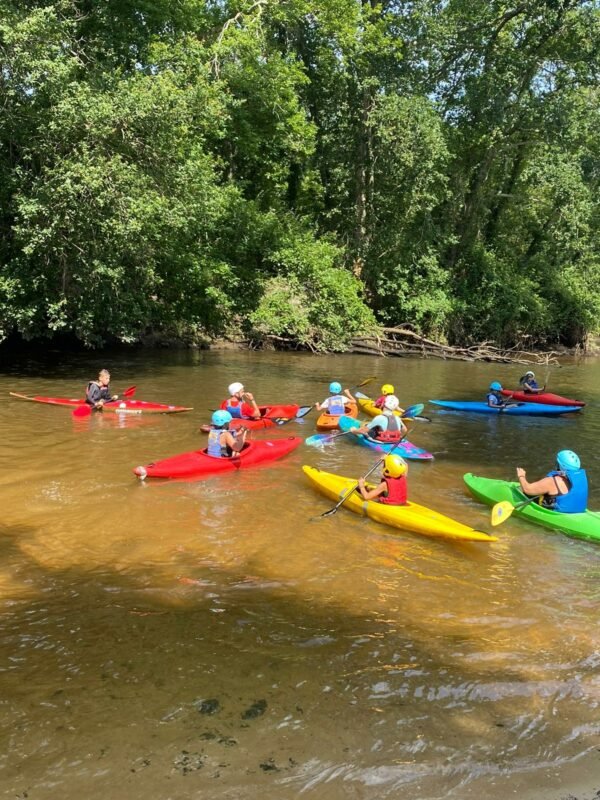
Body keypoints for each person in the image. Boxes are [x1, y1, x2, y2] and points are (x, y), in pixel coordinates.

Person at [516, 450, 588, 513]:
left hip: (558, 513)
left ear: (560, 465)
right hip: (578, 511)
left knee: (522, 490)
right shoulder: (579, 479)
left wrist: (521, 476)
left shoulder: (552, 481)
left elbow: (527, 489)